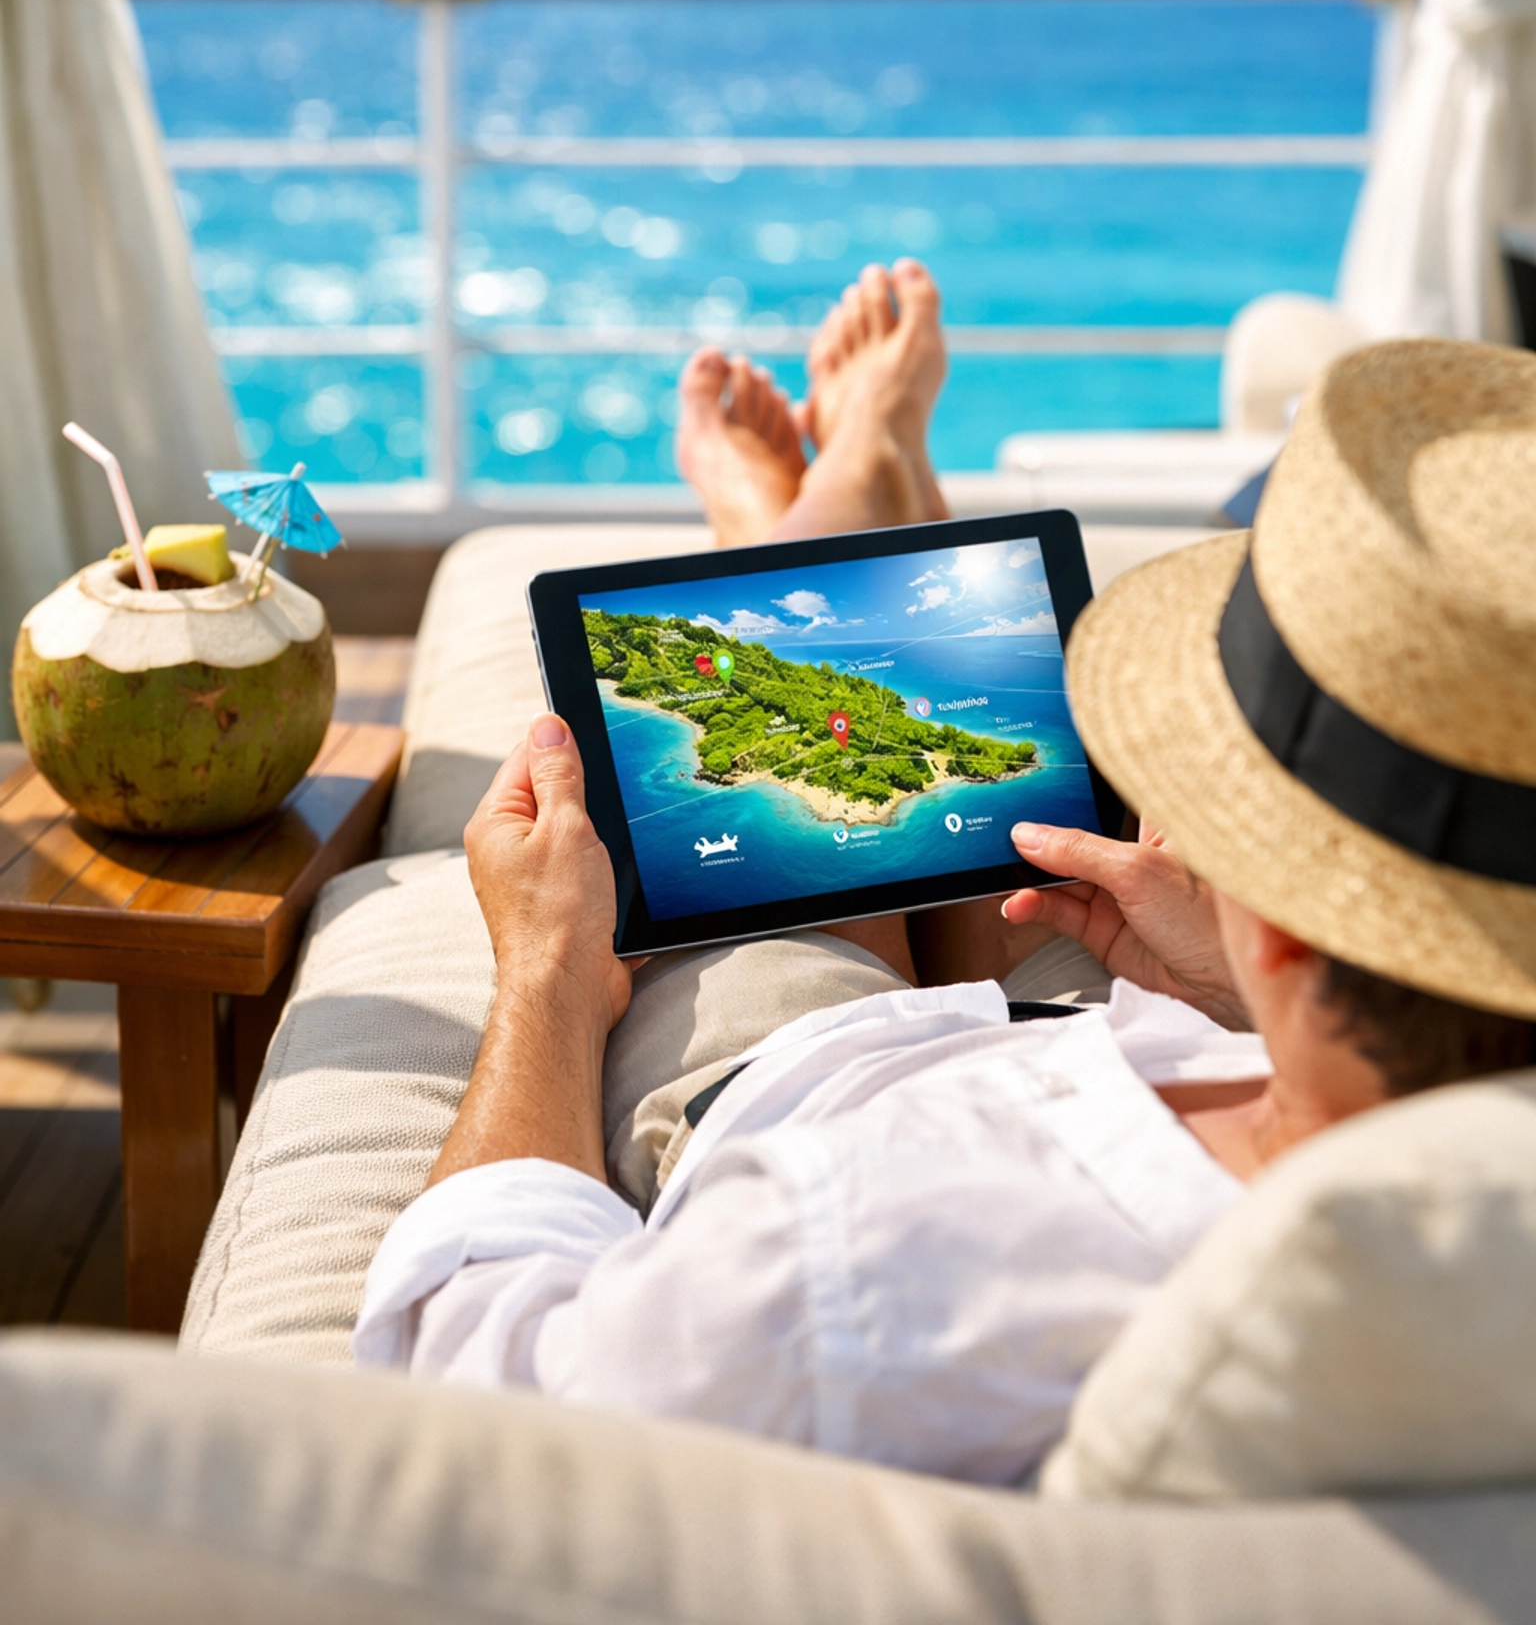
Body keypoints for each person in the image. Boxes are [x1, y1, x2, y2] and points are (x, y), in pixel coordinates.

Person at [355, 264, 1536, 1487]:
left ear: (1289, 930)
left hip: (800, 1090)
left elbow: (471, 1387)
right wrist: (1234, 1001)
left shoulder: (849, 1276)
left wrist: (548, 968)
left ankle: (813, 511)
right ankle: (855, 503)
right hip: (1112, 1034)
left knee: (831, 897)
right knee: (999, 841)